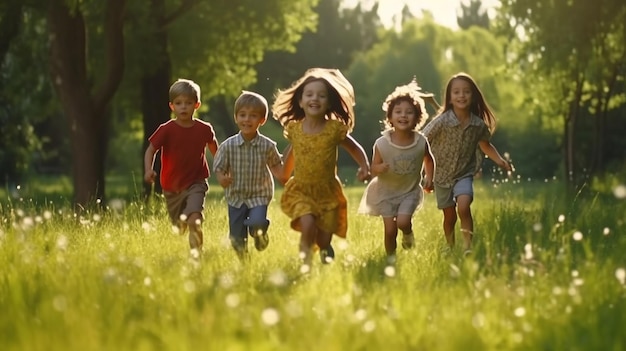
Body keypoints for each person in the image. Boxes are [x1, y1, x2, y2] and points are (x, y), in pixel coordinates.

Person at [272, 68, 370, 266]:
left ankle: (325, 246)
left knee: (323, 238)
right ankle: (305, 266)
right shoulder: (295, 129)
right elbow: (293, 151)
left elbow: (354, 148)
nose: (314, 98)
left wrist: (364, 166)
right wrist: (283, 172)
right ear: (300, 101)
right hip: (302, 189)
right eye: (309, 94)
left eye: (321, 95)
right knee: (307, 224)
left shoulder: (334, 129)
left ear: (329, 103)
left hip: (327, 192)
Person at [422, 72, 512, 255]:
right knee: (449, 216)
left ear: (473, 96)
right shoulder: (442, 121)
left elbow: (485, 145)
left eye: (466, 92)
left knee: (464, 206)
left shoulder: (478, 124)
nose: (461, 96)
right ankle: (450, 245)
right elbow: (422, 141)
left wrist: (501, 161)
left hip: (464, 173)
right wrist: (426, 174)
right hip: (441, 175)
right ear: (450, 97)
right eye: (456, 92)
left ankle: (468, 247)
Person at [358, 78, 435, 260]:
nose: (403, 115)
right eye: (398, 112)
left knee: (402, 221)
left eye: (409, 112)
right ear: (390, 117)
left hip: (409, 191)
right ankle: (391, 259)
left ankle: (408, 233)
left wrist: (430, 178)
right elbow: (373, 167)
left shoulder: (420, 141)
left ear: (417, 117)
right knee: (390, 229)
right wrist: (380, 167)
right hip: (385, 192)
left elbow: (429, 159)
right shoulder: (382, 143)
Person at [144, 78, 219, 257]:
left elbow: (216, 148)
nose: (183, 107)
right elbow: (150, 150)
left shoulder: (204, 129)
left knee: (195, 219)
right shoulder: (166, 129)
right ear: (172, 106)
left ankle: (197, 255)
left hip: (196, 182)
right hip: (172, 187)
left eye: (188, 103)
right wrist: (148, 170)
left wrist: (222, 167)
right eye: (179, 103)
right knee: (179, 227)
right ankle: (185, 227)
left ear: (197, 105)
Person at [213, 90, 287, 260]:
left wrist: (284, 179)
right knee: (237, 239)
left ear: (262, 120)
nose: (247, 119)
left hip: (259, 195)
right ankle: (245, 264)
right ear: (236, 117)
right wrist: (222, 178)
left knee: (256, 222)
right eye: (242, 115)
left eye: (253, 116)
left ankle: (260, 234)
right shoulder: (228, 146)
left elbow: (276, 165)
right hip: (236, 196)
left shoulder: (267, 146)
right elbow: (219, 166)